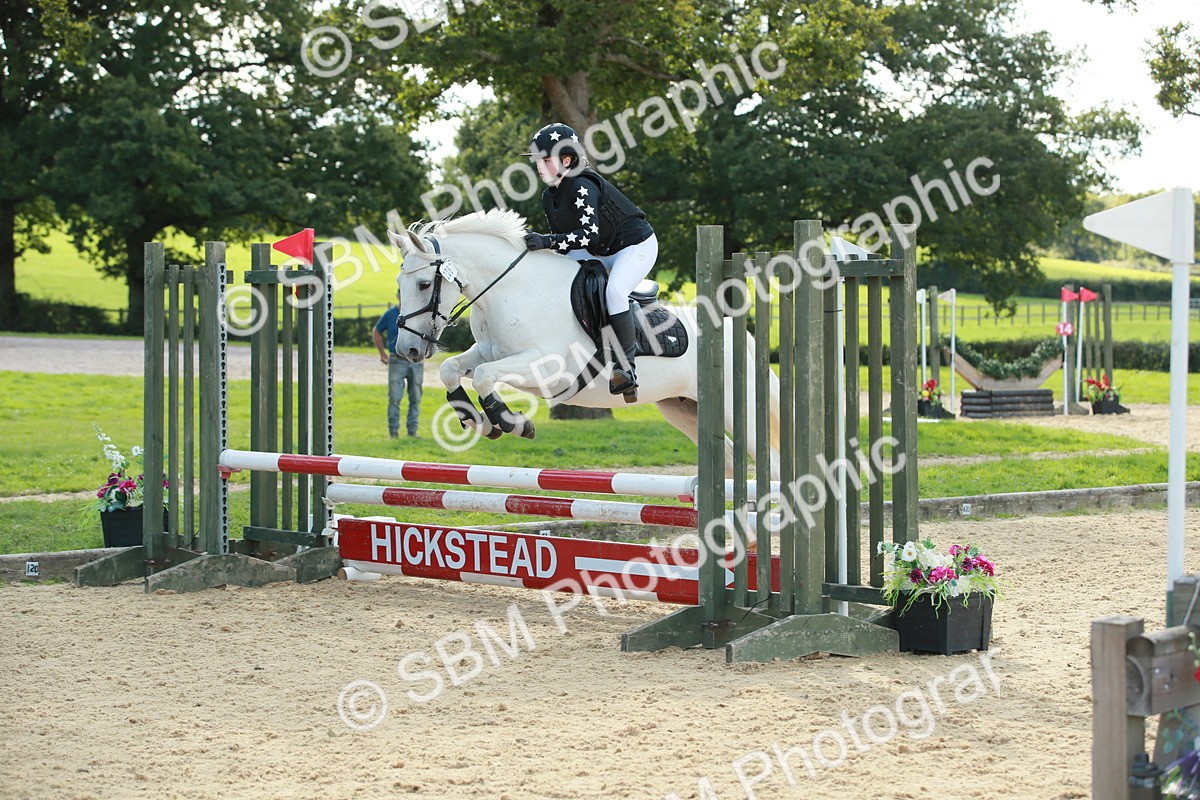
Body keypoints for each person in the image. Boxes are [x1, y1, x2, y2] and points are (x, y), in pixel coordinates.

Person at [521, 122, 657, 400]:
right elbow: (566, 243)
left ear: (566, 160)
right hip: (598, 249)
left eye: (545, 159)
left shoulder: (581, 185)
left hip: (633, 247)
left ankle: (626, 368)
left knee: (615, 292)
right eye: (538, 160)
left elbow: (588, 235)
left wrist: (546, 241)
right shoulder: (550, 195)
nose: (539, 165)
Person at [373, 290, 424, 438]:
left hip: (416, 361)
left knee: (415, 398)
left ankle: (412, 432)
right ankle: (393, 432)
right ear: (398, 296)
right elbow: (376, 331)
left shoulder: (419, 313)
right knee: (394, 398)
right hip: (397, 361)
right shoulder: (390, 314)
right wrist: (382, 353)